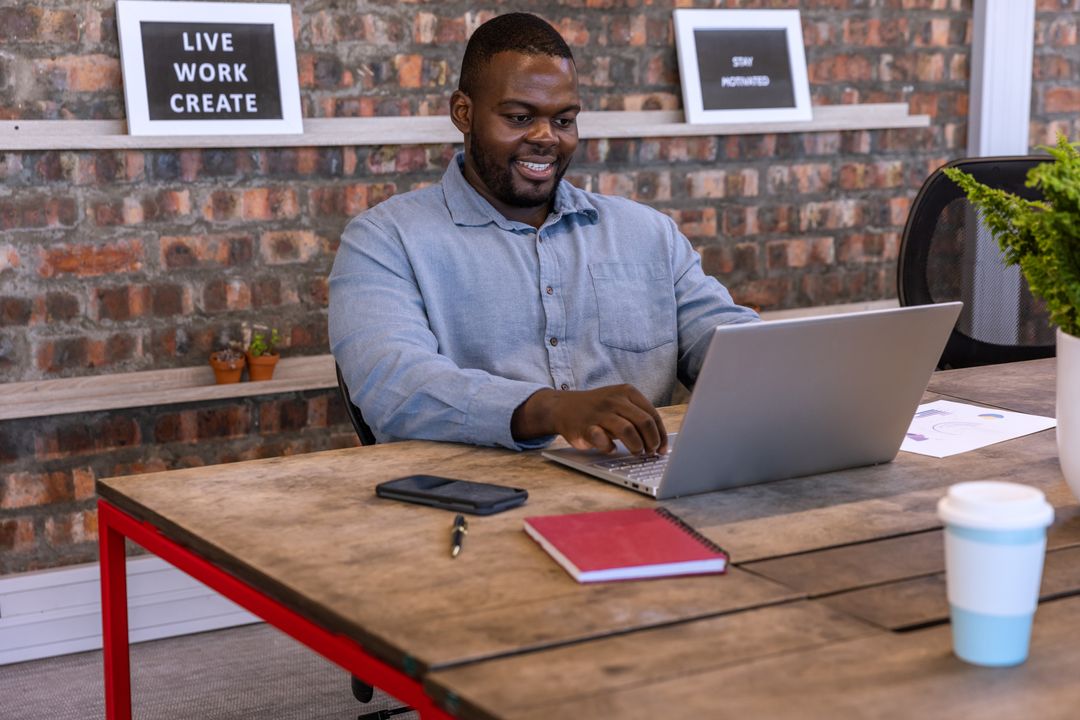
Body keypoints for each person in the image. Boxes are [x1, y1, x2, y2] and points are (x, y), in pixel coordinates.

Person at [329, 12, 759, 456]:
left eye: (564, 120)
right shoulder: (384, 240)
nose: (546, 137)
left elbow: (723, 338)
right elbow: (394, 387)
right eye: (519, 117)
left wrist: (777, 365)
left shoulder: (648, 233)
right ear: (463, 113)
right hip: (478, 490)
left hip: (642, 481)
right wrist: (551, 409)